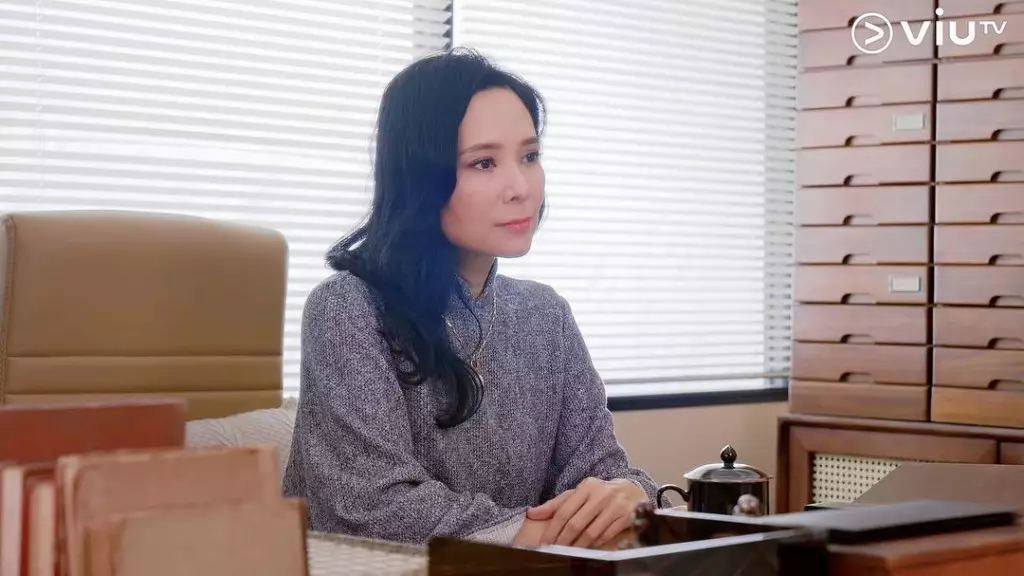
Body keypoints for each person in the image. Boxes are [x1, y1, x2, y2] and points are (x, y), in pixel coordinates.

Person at [282, 47, 658, 549]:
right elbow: (371, 508)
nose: (520, 187)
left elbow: (599, 470)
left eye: (530, 156)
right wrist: (553, 532)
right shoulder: (347, 308)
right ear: (422, 177)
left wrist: (630, 494)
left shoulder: (546, 316)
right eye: (484, 162)